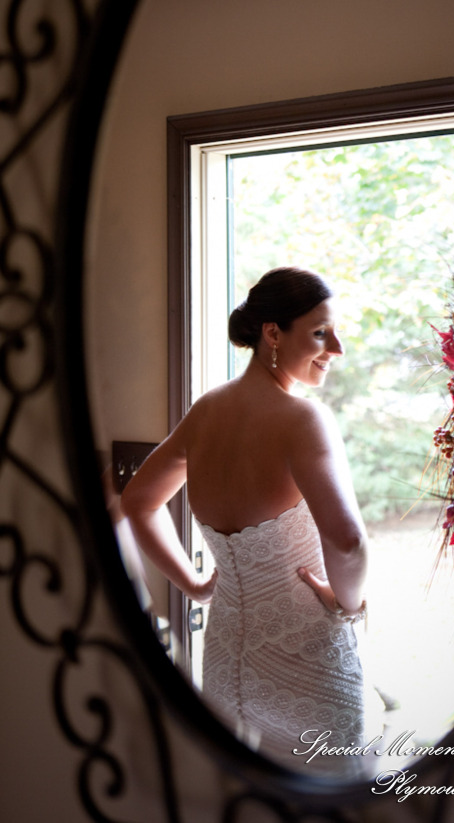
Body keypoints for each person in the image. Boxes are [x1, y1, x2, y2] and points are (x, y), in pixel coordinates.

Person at [120, 267, 369, 772]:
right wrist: (348, 604)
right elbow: (347, 543)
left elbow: (138, 502)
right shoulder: (304, 420)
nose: (337, 348)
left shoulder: (206, 412)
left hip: (226, 671)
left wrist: (193, 585)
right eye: (321, 332)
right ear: (272, 333)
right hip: (309, 670)